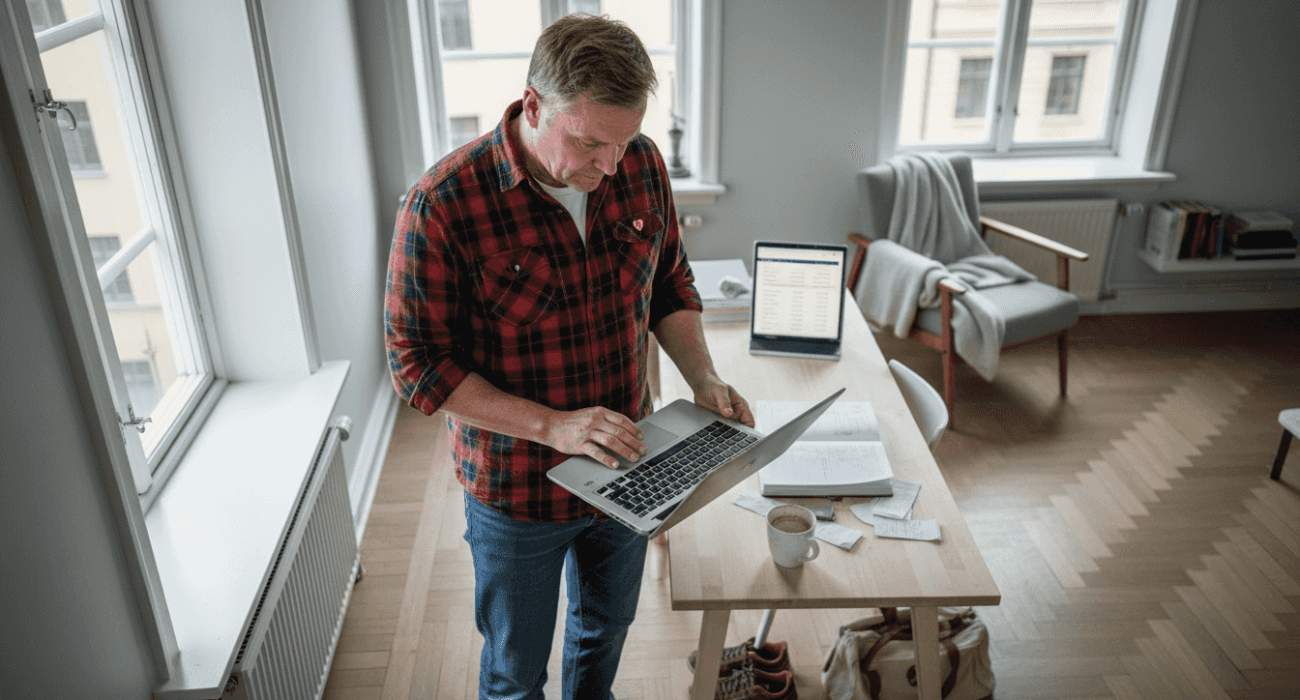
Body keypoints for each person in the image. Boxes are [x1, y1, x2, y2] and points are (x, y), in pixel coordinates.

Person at [384, 13, 753, 700]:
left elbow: (670, 282)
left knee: (605, 632)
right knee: (515, 672)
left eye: (624, 143)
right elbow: (416, 364)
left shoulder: (637, 164)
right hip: (517, 491)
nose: (610, 166)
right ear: (533, 106)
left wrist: (702, 377)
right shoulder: (442, 204)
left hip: (627, 464)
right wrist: (553, 426)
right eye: (591, 144)